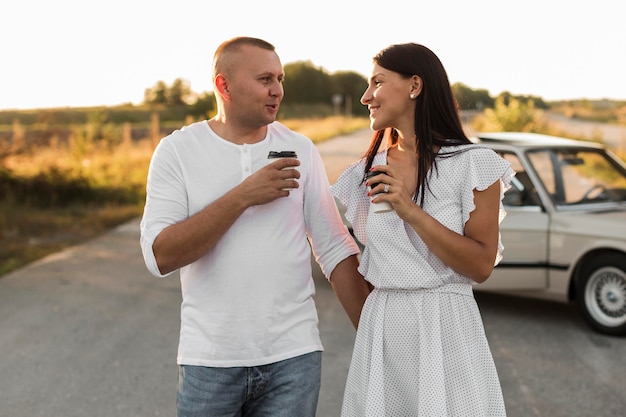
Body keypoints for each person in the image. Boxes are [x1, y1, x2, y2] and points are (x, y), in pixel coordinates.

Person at [139, 36, 370, 417]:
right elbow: (160, 255)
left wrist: (375, 337)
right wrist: (243, 196)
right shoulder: (177, 151)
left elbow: (333, 246)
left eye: (280, 79)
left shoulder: (301, 148)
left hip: (293, 357)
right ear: (223, 85)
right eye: (265, 79)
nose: (277, 90)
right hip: (209, 360)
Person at [331, 43, 513, 416]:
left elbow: (480, 266)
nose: (366, 96)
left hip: (447, 327)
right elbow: (340, 253)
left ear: (415, 85)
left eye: (377, 82)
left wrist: (409, 210)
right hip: (383, 328)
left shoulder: (473, 165)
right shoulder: (363, 173)